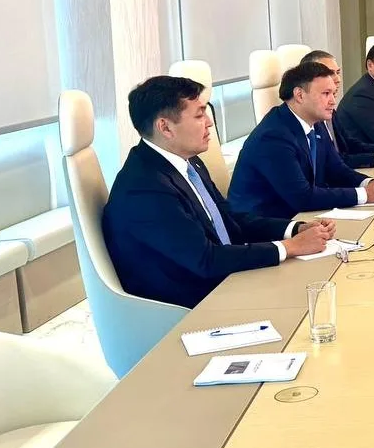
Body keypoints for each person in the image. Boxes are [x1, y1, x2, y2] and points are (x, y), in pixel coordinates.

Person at [102, 76, 334, 309]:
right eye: (199, 115)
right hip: (192, 305)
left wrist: (295, 229)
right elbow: (205, 259)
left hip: (223, 280)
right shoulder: (145, 187)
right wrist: (290, 247)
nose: (209, 123)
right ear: (165, 127)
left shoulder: (189, 162)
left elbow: (231, 220)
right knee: (310, 301)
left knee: (323, 284)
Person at [230, 62, 374, 218]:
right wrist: (365, 194)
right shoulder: (273, 136)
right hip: (267, 224)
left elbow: (336, 169)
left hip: (302, 216)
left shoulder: (315, 122)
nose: (333, 101)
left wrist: (369, 183)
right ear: (300, 95)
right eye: (326, 94)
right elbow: (302, 197)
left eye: (333, 93)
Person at [300, 49, 374, 169]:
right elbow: (335, 162)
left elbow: (350, 144)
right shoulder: (362, 93)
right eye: (329, 73)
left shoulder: (329, 111)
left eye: (337, 72)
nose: (338, 79)